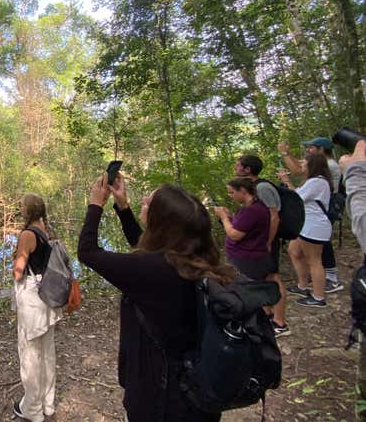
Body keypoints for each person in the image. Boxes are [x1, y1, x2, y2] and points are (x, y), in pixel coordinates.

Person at [78, 173, 234, 422]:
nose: (144, 201)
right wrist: (123, 207)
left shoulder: (152, 270)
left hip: (159, 398)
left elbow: (87, 252)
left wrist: (96, 204)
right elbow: (145, 248)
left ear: (161, 222)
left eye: (149, 202)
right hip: (199, 393)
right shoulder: (196, 259)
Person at [11, 194, 62, 422]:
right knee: (47, 354)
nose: (20, 209)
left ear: (28, 210)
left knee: (31, 356)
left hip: (33, 301)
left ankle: (32, 409)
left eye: (22, 206)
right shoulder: (48, 231)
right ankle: (48, 404)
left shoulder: (27, 234)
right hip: (49, 297)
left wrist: (14, 263)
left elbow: (18, 272)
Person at [234, 155, 290, 335]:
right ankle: (267, 315)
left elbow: (274, 217)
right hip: (259, 242)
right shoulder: (252, 188)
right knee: (262, 278)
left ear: (247, 169)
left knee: (273, 278)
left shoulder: (262, 188)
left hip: (267, 241)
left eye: (238, 165)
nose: (235, 168)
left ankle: (280, 323)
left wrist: (268, 242)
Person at [279, 137, 343, 292]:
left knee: (318, 251)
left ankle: (330, 280)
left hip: (319, 213)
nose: (308, 150)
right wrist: (289, 155)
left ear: (321, 149)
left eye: (311, 147)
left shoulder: (325, 170)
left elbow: (297, 172)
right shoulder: (317, 173)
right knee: (296, 250)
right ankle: (305, 284)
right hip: (310, 216)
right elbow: (301, 168)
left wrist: (285, 155)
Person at [279, 152, 333, 307]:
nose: (301, 165)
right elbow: (298, 195)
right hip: (306, 225)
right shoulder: (313, 181)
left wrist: (286, 181)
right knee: (294, 251)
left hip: (314, 226)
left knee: (314, 261)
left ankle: (319, 297)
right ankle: (302, 286)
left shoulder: (317, 181)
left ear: (312, 165)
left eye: (304, 162)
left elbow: (296, 199)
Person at [214, 177, 276, 281]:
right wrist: (228, 217)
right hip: (246, 257)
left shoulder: (252, 210)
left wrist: (224, 218)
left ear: (243, 190)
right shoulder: (251, 208)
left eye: (232, 192)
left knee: (249, 287)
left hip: (247, 260)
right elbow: (242, 227)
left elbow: (234, 235)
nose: (230, 195)